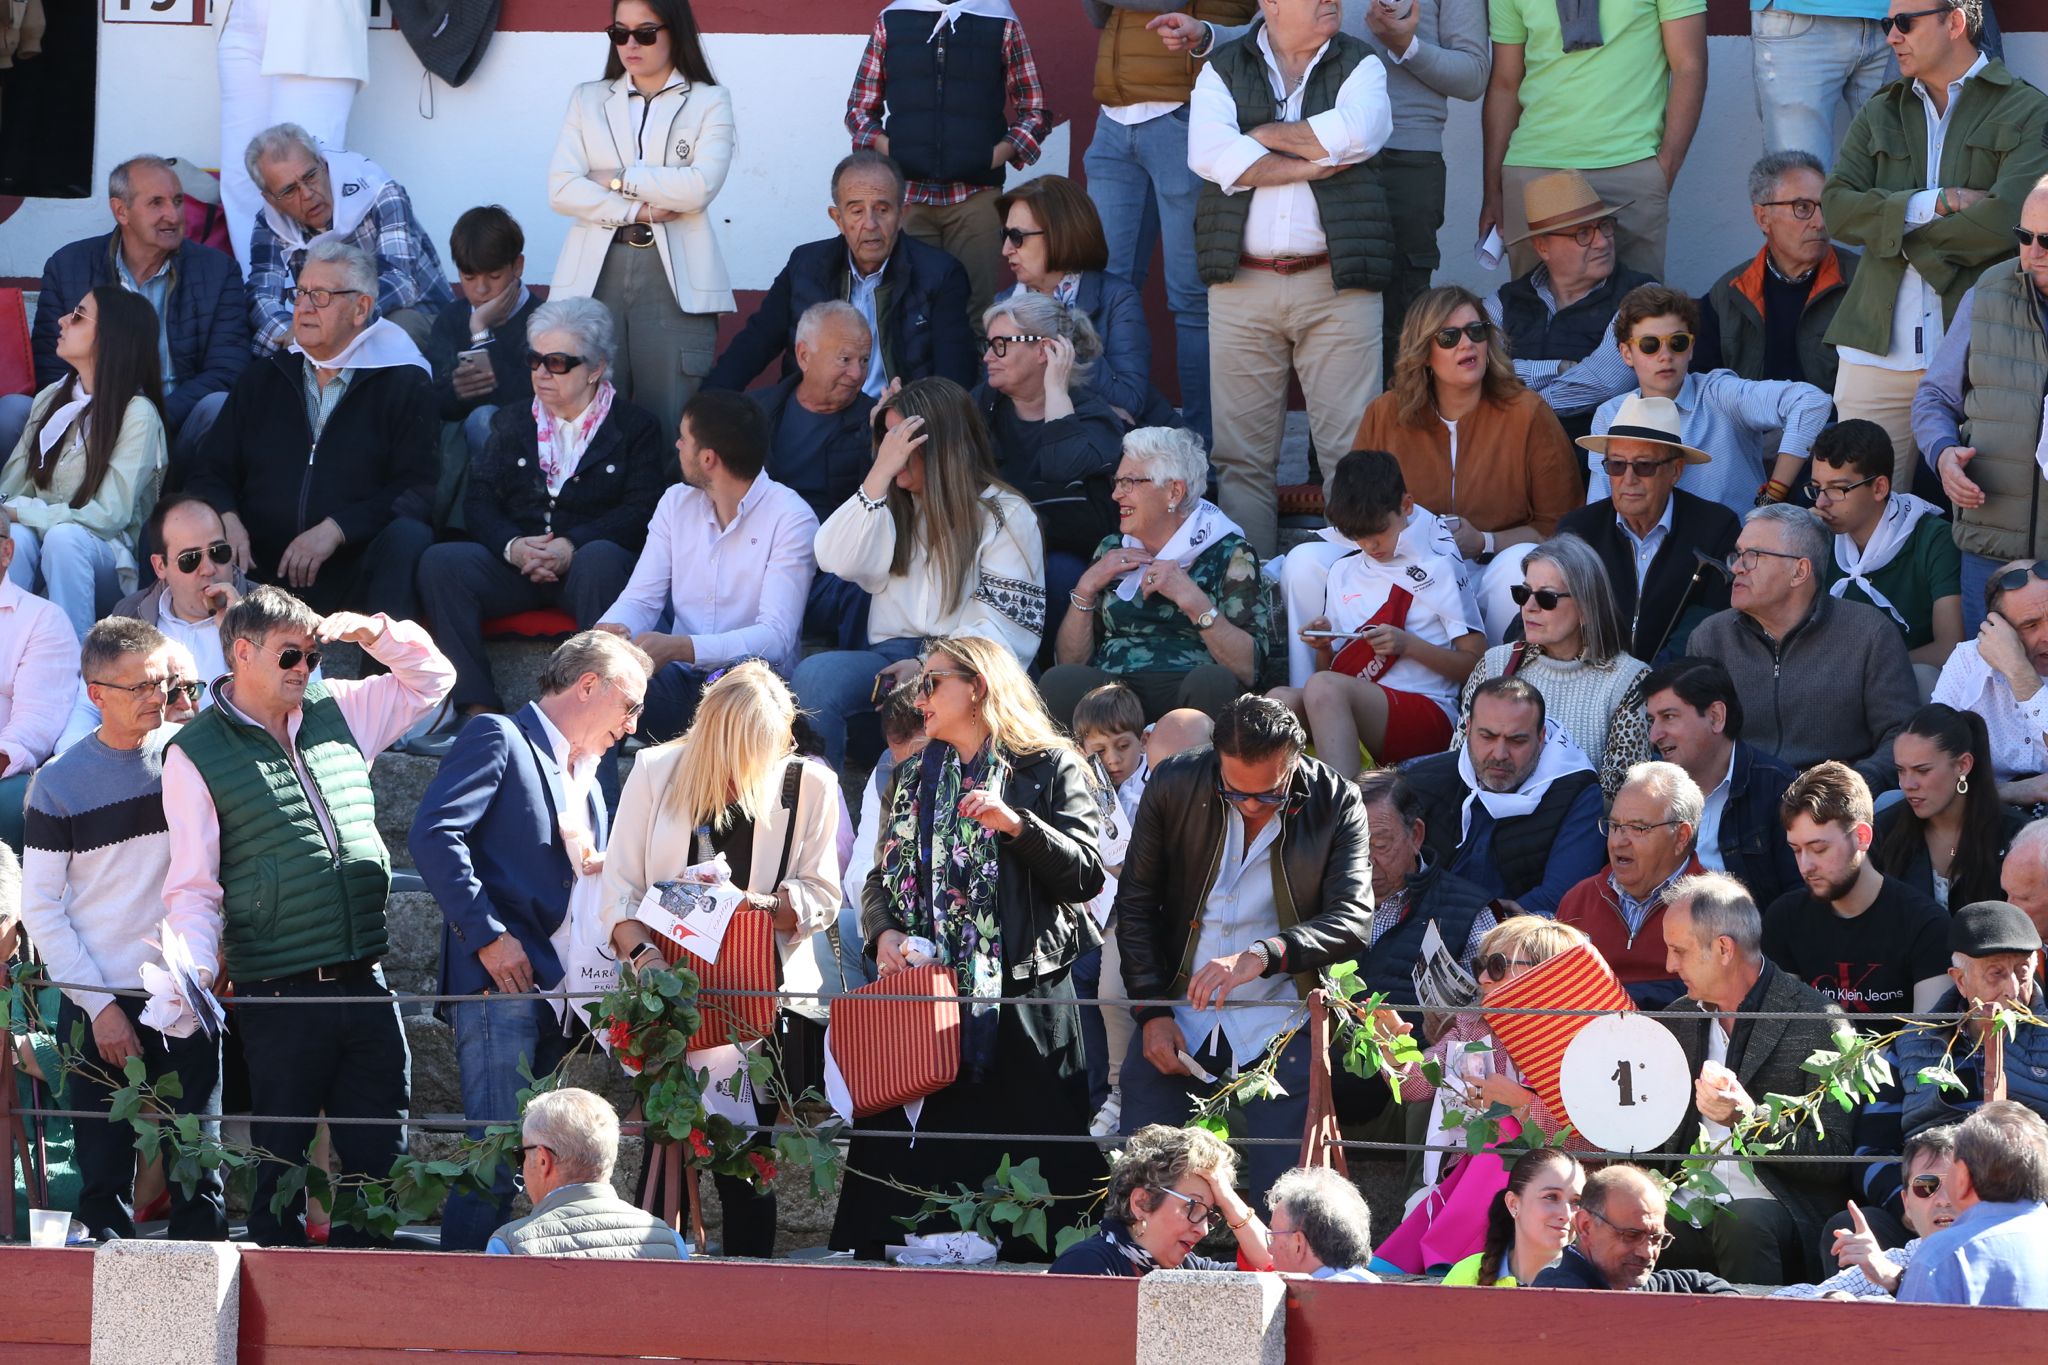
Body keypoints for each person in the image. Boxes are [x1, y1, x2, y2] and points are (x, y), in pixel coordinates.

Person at [159, 586, 455, 1246]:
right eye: (290, 654)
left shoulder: (338, 705)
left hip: (365, 974)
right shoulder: (193, 751)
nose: (304, 668)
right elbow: (193, 886)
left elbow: (434, 679)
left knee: (380, 1157)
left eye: (312, 656)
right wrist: (197, 969)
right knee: (281, 1168)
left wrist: (374, 632)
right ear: (242, 653)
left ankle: (367, 1292)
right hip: (279, 990)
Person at [833, 635, 1104, 1261]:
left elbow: (1086, 876)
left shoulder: (1049, 765)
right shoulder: (911, 774)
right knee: (905, 1202)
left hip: (1021, 999)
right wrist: (884, 932)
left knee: (1039, 1207)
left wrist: (1017, 826)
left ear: (978, 686)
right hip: (924, 1002)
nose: (918, 697)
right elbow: (879, 879)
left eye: (932, 682)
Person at [409, 631, 653, 1253]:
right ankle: (460, 1301)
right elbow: (434, 834)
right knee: (494, 1158)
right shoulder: (499, 735)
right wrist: (488, 936)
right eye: (630, 706)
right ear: (589, 685)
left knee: (530, 1165)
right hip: (503, 983)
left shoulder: (591, 773)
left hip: (561, 991)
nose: (632, 725)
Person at [603, 662, 841, 1259]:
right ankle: (654, 1287)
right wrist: (648, 960)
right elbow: (619, 892)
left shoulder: (808, 783)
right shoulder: (656, 770)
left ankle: (749, 1296)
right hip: (667, 997)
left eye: (773, 746)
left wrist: (751, 907)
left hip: (755, 1003)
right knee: (664, 1158)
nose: (765, 761)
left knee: (746, 1162)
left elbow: (823, 896)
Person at [18, 617, 225, 1243]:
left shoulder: (189, 754)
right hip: (96, 996)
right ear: (96, 694)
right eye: (138, 687)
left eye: (160, 682)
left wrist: (213, 960)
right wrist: (100, 1007)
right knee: (102, 1182)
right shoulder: (56, 783)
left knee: (200, 1173)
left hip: (184, 988)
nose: (156, 697)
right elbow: (41, 908)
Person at [1116, 695, 1371, 1201]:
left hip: (1281, 1019)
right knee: (1142, 1197)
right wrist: (1150, 1011)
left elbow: (1354, 919)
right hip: (1177, 1011)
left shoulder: (1337, 799)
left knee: (1289, 1205)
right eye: (1235, 791)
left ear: (1296, 761)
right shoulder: (1173, 782)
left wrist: (1264, 954)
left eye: (1270, 794)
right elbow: (1136, 902)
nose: (1251, 805)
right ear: (1216, 760)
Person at [1188, 0, 1396, 559]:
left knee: (1352, 459)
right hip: (1241, 285)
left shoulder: (1361, 63)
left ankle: (1349, 589)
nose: (1332, 0)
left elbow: (1358, 133)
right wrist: (1309, 161)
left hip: (1339, 284)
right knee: (1240, 460)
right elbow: (1208, 154)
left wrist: (1256, 137)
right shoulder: (1222, 67)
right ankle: (1249, 592)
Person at [1825, 0, 2048, 491]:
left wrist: (1896, 236)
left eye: (1905, 23)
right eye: (1888, 24)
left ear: (1955, 22)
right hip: (1875, 351)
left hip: (1979, 350)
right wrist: (1935, 203)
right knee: (1851, 507)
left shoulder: (2029, 109)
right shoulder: (1880, 109)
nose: (1891, 36)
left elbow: (2008, 219)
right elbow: (1836, 209)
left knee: (1984, 506)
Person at [415, 297, 667, 724]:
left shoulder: (635, 427)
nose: (541, 372)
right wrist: (513, 546)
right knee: (442, 563)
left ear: (596, 368)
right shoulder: (513, 421)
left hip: (586, 570)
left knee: (602, 559)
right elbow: (479, 499)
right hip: (519, 564)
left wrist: (572, 545)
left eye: (557, 362)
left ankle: (602, 714)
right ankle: (476, 708)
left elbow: (641, 509)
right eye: (534, 360)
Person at [796, 378, 1041, 772]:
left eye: (902, 441)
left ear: (939, 445)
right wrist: (878, 473)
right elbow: (831, 556)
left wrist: (928, 665)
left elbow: (1006, 633)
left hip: (965, 670)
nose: (893, 452)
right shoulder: (890, 504)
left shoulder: (1005, 514)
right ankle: (819, 800)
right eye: (887, 440)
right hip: (889, 659)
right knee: (815, 676)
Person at [185, 241, 438, 621]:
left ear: (361, 308)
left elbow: (416, 492)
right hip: (257, 568)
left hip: (352, 571)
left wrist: (336, 530)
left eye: (320, 296)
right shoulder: (264, 377)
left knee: (409, 536)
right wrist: (227, 517)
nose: (302, 307)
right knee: (177, 523)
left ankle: (386, 660)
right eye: (300, 293)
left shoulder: (403, 383)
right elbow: (209, 471)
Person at [547, 0, 735, 445]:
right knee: (585, 422)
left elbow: (699, 187)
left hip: (673, 279)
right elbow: (562, 188)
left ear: (675, 31)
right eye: (620, 32)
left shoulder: (709, 100)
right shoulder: (587, 98)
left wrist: (616, 178)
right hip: (596, 272)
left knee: (668, 425)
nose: (631, 44)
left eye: (645, 33)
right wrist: (638, 210)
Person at [1656, 871, 1852, 1286]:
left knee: (1742, 1220)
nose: (1669, 965)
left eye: (1679, 951)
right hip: (1685, 1202)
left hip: (1778, 1208)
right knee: (1627, 1219)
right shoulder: (1676, 1021)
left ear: (1723, 949)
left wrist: (1749, 1119)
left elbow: (1836, 1157)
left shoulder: (1819, 1021)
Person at [1353, 286, 1581, 639]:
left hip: (1490, 571)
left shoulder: (1528, 412)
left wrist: (1485, 541)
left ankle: (1498, 673)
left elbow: (1559, 526)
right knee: (1305, 562)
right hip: (1402, 569)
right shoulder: (1384, 413)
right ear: (1424, 352)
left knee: (1518, 566)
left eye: (1476, 331)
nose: (1467, 344)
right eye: (1449, 337)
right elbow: (1355, 510)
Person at [0, 156, 246, 475]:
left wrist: (148, 419)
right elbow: (52, 368)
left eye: (177, 201)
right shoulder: (69, 266)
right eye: (156, 203)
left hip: (172, 429)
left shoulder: (218, 271)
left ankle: (198, 504)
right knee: (12, 411)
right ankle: (15, 505)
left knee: (218, 407)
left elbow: (227, 370)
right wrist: (101, 419)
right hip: (86, 428)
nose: (173, 215)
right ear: (121, 211)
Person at [600, 391, 819, 748]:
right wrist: (604, 637)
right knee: (601, 676)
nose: (677, 445)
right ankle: (588, 787)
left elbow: (776, 639)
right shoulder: (675, 502)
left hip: (750, 697)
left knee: (741, 682)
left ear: (707, 458)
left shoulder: (791, 518)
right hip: (679, 682)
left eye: (683, 438)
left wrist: (683, 647)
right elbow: (640, 600)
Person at [1270, 449, 1483, 775]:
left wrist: (1408, 645)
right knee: (1278, 701)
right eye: (1358, 536)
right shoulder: (1342, 571)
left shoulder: (1439, 565)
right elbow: (1332, 675)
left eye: (1379, 531)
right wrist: (1324, 647)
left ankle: (1344, 804)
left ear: (1406, 506)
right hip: (1359, 705)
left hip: (1429, 711)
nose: (1370, 546)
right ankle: (1272, 800)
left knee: (1323, 688)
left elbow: (1476, 664)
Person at [843, 0, 1049, 331]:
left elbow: (1034, 110)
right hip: (907, 200)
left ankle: (974, 369)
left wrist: (995, 156)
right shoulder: (893, 19)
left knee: (976, 315)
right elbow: (858, 110)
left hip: (976, 198)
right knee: (908, 313)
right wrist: (892, 149)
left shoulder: (999, 18)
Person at [1043, 425, 1263, 728]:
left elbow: (1249, 669)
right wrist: (1087, 587)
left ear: (1174, 491)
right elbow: (1071, 661)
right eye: (1117, 482)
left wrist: (1192, 599)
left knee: (1214, 682)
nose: (1116, 494)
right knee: (1059, 681)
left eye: (1129, 482)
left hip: (1189, 688)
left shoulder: (1229, 552)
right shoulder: (1111, 549)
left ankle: (1196, 759)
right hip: (1114, 694)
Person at [704, 151, 975, 396]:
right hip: (817, 417)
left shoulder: (940, 273)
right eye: (856, 211)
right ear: (838, 219)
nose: (870, 224)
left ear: (902, 214)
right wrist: (707, 404)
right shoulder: (805, 266)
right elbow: (756, 342)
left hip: (898, 420)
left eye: (882, 210)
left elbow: (954, 378)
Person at [1689, 504, 1917, 788]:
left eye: (1753, 556)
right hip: (1737, 799)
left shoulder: (1869, 634)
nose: (1736, 567)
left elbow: (1902, 736)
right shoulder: (1710, 638)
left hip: (1835, 801)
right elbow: (1691, 736)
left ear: (1799, 571)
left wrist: (1851, 788)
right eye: (1738, 554)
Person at [1478, 0, 1705, 279]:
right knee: (1533, 303)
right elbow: (1505, 83)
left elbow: (1689, 66)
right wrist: (1492, 189)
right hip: (1534, 169)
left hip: (1629, 167)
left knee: (1638, 304)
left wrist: (1664, 168)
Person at [1914, 178, 2048, 629]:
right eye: (2024, 236)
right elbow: (1934, 398)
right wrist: (1942, 455)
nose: (2033, 252)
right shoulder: (1988, 293)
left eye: (2047, 240)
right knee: (1986, 669)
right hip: (1990, 552)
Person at [2, 287, 166, 640]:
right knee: (14, 538)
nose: (63, 320)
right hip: (47, 545)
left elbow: (109, 516)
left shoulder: (137, 414)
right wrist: (11, 513)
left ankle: (72, 661)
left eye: (78, 316)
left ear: (111, 336)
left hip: (112, 563)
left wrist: (25, 512)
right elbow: (11, 491)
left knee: (64, 539)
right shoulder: (51, 397)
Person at [1583, 285, 1832, 517]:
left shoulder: (1720, 394)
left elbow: (1811, 401)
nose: (1665, 356)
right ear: (1627, 353)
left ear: (1691, 348)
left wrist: (1774, 495)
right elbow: (1601, 506)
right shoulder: (1610, 414)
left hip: (1735, 546)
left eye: (1678, 342)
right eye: (1650, 345)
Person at [1457, 535, 1651, 794]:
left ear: (1586, 608)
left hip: (1578, 820)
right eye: (1523, 593)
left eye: (1546, 598)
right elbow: (1458, 764)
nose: (1529, 607)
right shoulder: (1495, 664)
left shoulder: (1628, 680)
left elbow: (1618, 796)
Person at [973, 293, 1123, 626]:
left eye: (1000, 345)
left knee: (1057, 574)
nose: (987, 357)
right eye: (988, 344)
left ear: (1045, 350)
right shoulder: (983, 405)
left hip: (1064, 556)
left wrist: (1056, 390)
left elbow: (1061, 467)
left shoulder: (1094, 418)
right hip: (991, 547)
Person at [242, 123, 451, 355]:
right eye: (290, 190)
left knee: (393, 330)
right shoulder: (271, 223)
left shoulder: (376, 188)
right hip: (335, 325)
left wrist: (330, 323)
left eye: (310, 176)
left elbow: (401, 283)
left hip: (423, 317)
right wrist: (294, 331)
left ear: (322, 164)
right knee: (261, 348)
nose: (308, 194)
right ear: (271, 200)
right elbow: (262, 296)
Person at [1561, 395, 1741, 664]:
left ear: (1676, 471)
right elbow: (1556, 611)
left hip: (1677, 679)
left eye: (1644, 465)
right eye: (1617, 465)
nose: (1628, 479)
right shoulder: (1578, 530)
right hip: (1590, 673)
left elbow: (1709, 618)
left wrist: (1652, 678)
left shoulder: (1715, 527)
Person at [1763, 761, 1950, 1017]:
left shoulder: (1926, 926)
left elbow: (1928, 1036)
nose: (1805, 866)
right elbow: (1780, 1028)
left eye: (1819, 849)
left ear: (1862, 837)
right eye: (1796, 850)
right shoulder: (1784, 919)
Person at [1406, 677, 1604, 918]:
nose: (1499, 754)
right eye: (1487, 737)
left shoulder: (1578, 793)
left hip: (1520, 936)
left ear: (1541, 737)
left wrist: (1479, 920)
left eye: (1517, 740)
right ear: (1468, 729)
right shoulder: (1424, 779)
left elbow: (1561, 898)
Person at [995, 175, 1175, 429]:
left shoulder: (1117, 298)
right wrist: (1090, 407)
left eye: (1016, 236)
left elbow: (1129, 402)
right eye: (1004, 235)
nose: (1006, 249)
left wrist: (1063, 330)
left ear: (1060, 234)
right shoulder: (1005, 304)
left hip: (1114, 446)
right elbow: (997, 397)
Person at [1483, 172, 1652, 432]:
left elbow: (1602, 383)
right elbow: (1480, 369)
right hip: (1511, 450)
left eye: (1605, 226)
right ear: (1542, 246)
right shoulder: (1503, 302)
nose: (1602, 242)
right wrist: (1558, 368)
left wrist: (1508, 407)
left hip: (1598, 454)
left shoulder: (1642, 297)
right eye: (1583, 233)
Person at [1642, 657, 1800, 904]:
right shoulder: (1650, 791)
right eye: (1652, 721)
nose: (1654, 735)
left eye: (1669, 717)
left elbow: (1798, 902)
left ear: (1716, 717)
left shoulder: (1780, 791)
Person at [1694, 151, 1856, 392]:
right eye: (1802, 207)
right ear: (1762, 217)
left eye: (1826, 206)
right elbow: (1703, 389)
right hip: (1748, 418)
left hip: (1834, 417)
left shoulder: (1862, 283)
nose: (1820, 222)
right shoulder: (1727, 294)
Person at [215, 0, 361, 265]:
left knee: (306, 179)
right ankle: (258, 286)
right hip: (240, 17)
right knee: (242, 181)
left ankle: (311, 288)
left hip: (316, 17)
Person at [1811, 418, 1962, 671]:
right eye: (1816, 488)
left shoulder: (1934, 539)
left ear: (1879, 488)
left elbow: (1949, 649)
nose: (1821, 503)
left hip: (1905, 679)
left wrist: (1858, 671)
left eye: (1838, 489)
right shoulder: (1816, 535)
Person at [1893, 901, 2048, 1143]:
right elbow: (1874, 1145)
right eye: (1996, 973)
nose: (2012, 989)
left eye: (2022, 971)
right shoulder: (1910, 1043)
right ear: (1961, 981)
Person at [1557, 761, 1704, 1006]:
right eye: (1614, 826)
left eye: (1637, 828)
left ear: (1681, 837)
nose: (1618, 842)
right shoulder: (1578, 901)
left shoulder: (1714, 906)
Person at [1352, 768, 1494, 1016]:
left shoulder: (1471, 915)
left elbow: (1489, 1017)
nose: (1365, 861)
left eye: (1380, 845)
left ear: (1416, 835)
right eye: (1351, 844)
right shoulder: (1317, 899)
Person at [486, 1087, 688, 1259]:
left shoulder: (509, 1246)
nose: (521, 1164)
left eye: (521, 1155)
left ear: (542, 1160)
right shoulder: (670, 1241)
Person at [1047, 1124, 1273, 1275]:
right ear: (1141, 1202)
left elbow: (1271, 1268)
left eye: (1210, 1214)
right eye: (1192, 1207)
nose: (1203, 1230)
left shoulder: (1188, 1268)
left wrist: (1228, 1199)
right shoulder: (1086, 1264)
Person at [1774, 1125, 1959, 1300]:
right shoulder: (1895, 1260)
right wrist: (1829, 1299)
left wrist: (1895, 1280)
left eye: (1957, 1184)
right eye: (1925, 1185)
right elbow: (1782, 1300)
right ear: (1907, 1203)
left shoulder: (1888, 1268)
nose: (1943, 1200)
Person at [424, 206, 541, 478]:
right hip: (459, 451)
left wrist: (480, 331)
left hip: (525, 453)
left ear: (518, 266)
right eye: (469, 277)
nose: (481, 289)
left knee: (485, 418)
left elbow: (528, 402)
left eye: (494, 276)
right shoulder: (451, 318)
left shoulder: (542, 321)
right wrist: (457, 391)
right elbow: (430, 401)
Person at [1898, 1100, 2048, 1307]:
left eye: (1950, 1169)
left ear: (1963, 1176)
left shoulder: (1944, 1256)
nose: (1942, 1199)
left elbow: (1912, 1328)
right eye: (1926, 1185)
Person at [1876, 704, 2020, 910]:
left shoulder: (2015, 837)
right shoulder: (1884, 831)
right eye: (1901, 770)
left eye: (1922, 771)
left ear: (1963, 765)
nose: (1907, 784)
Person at [108, 497, 247, 709]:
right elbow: (89, 705)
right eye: (190, 559)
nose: (208, 569)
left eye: (218, 552)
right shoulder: (128, 616)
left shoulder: (270, 613)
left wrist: (243, 631)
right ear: (160, 566)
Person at [754, 301, 878, 529]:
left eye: (864, 360)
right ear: (804, 356)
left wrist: (884, 435)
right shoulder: (755, 411)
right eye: (845, 359)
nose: (857, 374)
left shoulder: (874, 420)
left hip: (836, 544)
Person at [0, 505, 80, 853]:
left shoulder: (42, 619)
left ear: (6, 551)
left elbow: (35, 725)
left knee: (15, 798)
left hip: (4, 773)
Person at [1529, 1164, 1738, 1293]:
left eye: (1656, 1239)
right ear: (1586, 1226)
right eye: (1631, 1235)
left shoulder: (1634, 1284)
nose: (1646, 1253)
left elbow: (1704, 1283)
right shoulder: (1558, 1297)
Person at [1442, 1147, 1585, 1287]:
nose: (1566, 1215)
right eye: (1551, 1197)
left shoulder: (1591, 1281)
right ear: (1513, 1204)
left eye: (1576, 1202)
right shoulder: (1467, 1274)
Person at [1266, 1166, 1379, 1281]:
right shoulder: (1372, 1283)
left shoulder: (1318, 1291)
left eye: (1273, 1238)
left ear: (1298, 1245)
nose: (1269, 1249)